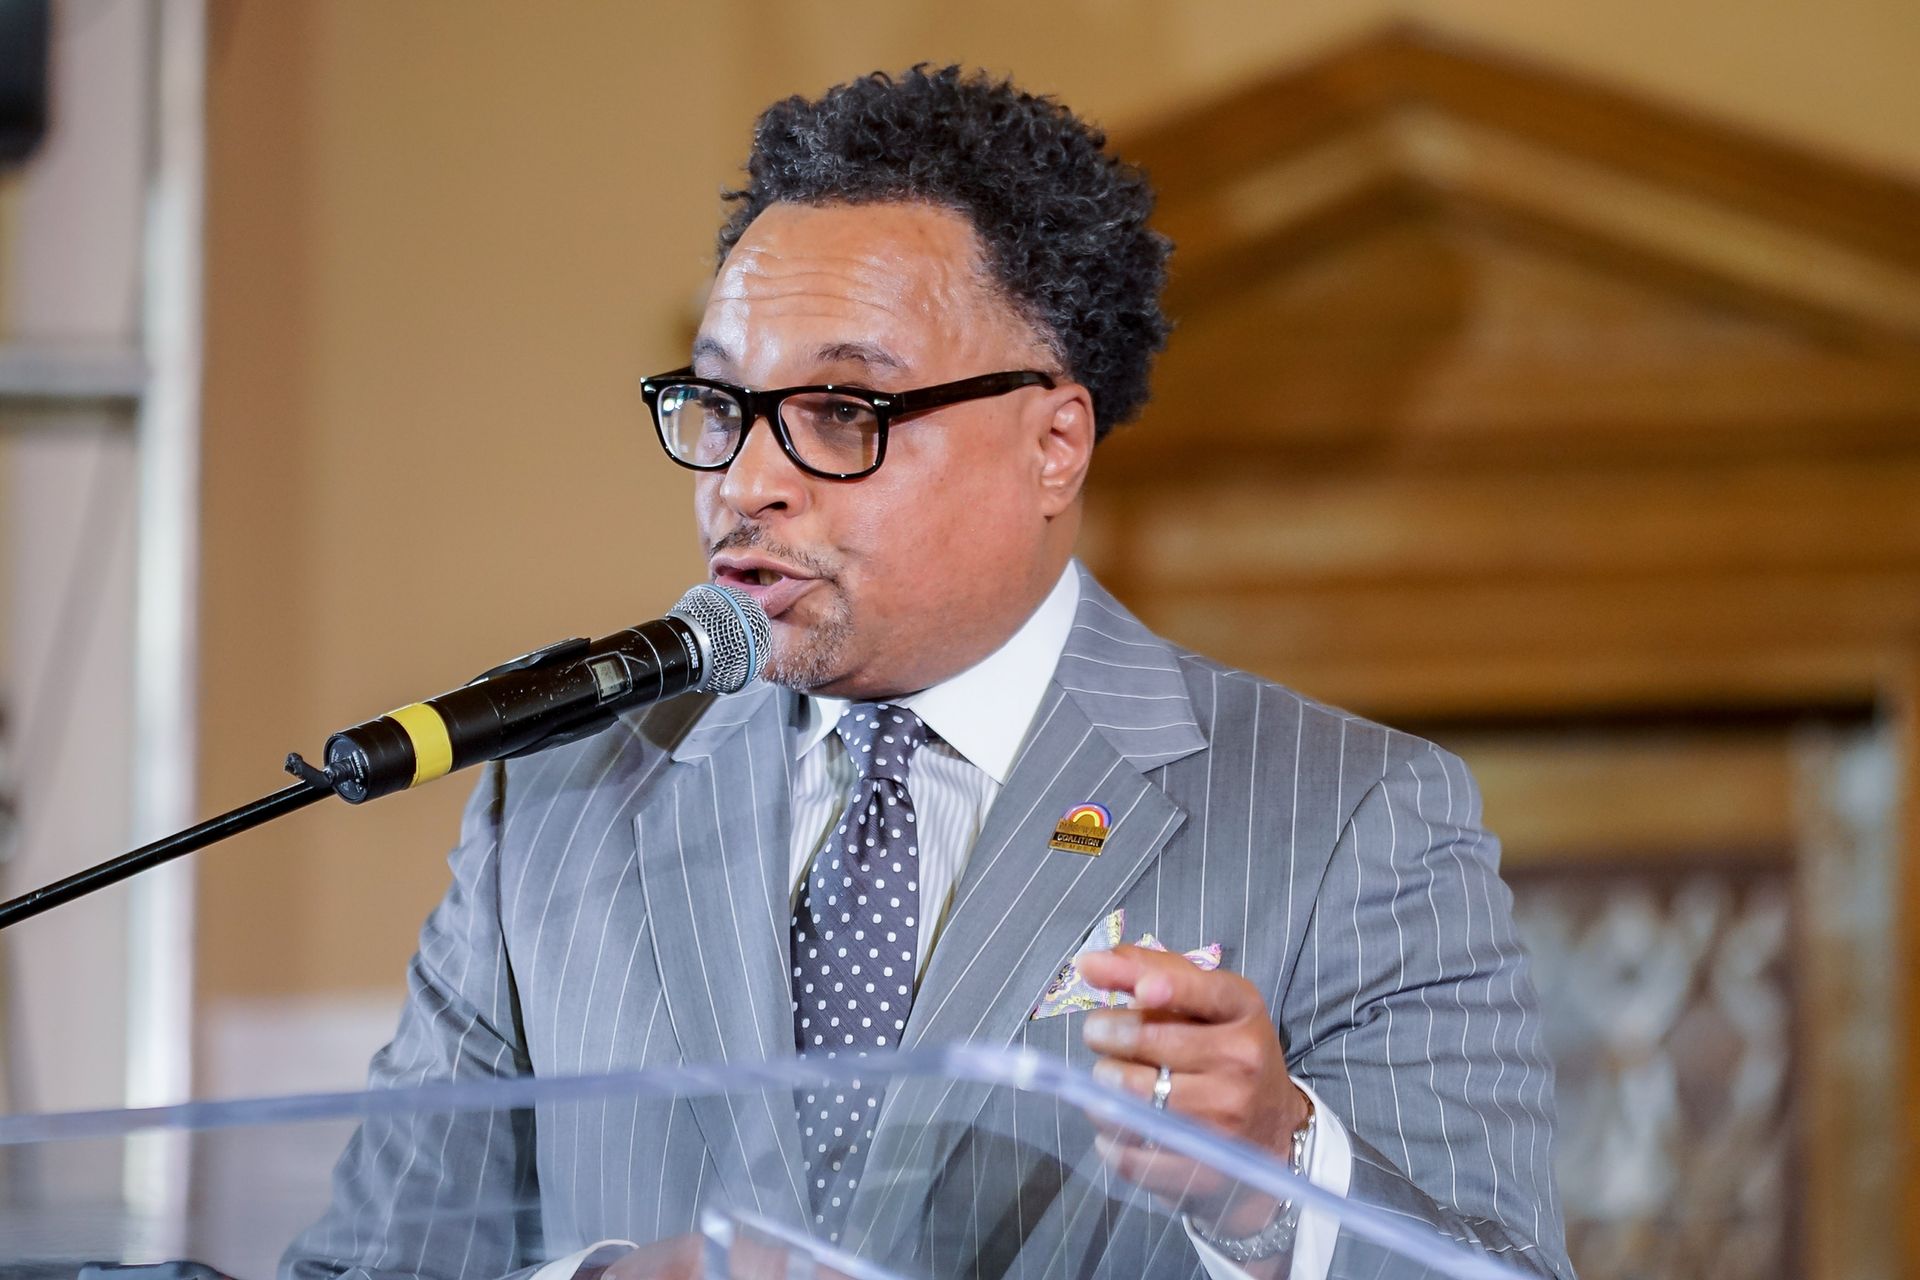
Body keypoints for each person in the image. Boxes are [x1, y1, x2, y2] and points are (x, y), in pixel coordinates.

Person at [285, 66, 1569, 1280]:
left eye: (845, 410)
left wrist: (1273, 1178)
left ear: (1055, 442)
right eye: (722, 402)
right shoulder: (560, 798)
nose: (745, 480)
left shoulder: (1351, 814)